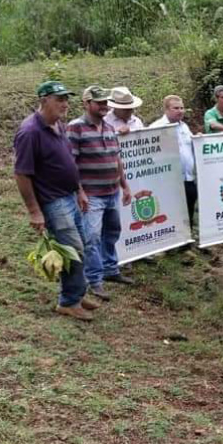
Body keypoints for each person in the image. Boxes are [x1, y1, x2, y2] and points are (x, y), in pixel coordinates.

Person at [13, 81, 100, 321]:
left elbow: (68, 163)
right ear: (43, 100)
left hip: (70, 196)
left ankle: (76, 293)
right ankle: (68, 302)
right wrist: (34, 211)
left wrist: (79, 190)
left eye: (66, 99)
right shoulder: (30, 132)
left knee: (81, 244)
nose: (65, 104)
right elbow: (22, 173)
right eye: (58, 99)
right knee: (74, 251)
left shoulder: (58, 125)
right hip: (52, 202)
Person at [66, 85, 134, 301]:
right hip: (92, 193)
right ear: (86, 104)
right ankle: (94, 279)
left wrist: (125, 185)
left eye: (106, 102)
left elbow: (116, 159)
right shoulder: (75, 128)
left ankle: (111, 269)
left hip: (112, 190)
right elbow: (71, 164)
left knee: (112, 231)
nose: (104, 106)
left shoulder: (108, 127)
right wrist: (79, 192)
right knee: (92, 236)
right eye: (99, 102)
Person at [150, 95, 197, 227]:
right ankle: (172, 244)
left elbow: (190, 148)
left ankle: (187, 242)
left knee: (189, 210)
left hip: (188, 178)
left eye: (182, 108)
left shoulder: (184, 127)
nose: (180, 111)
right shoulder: (156, 128)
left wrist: (198, 140)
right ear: (166, 109)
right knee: (171, 213)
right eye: (176, 108)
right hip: (168, 180)